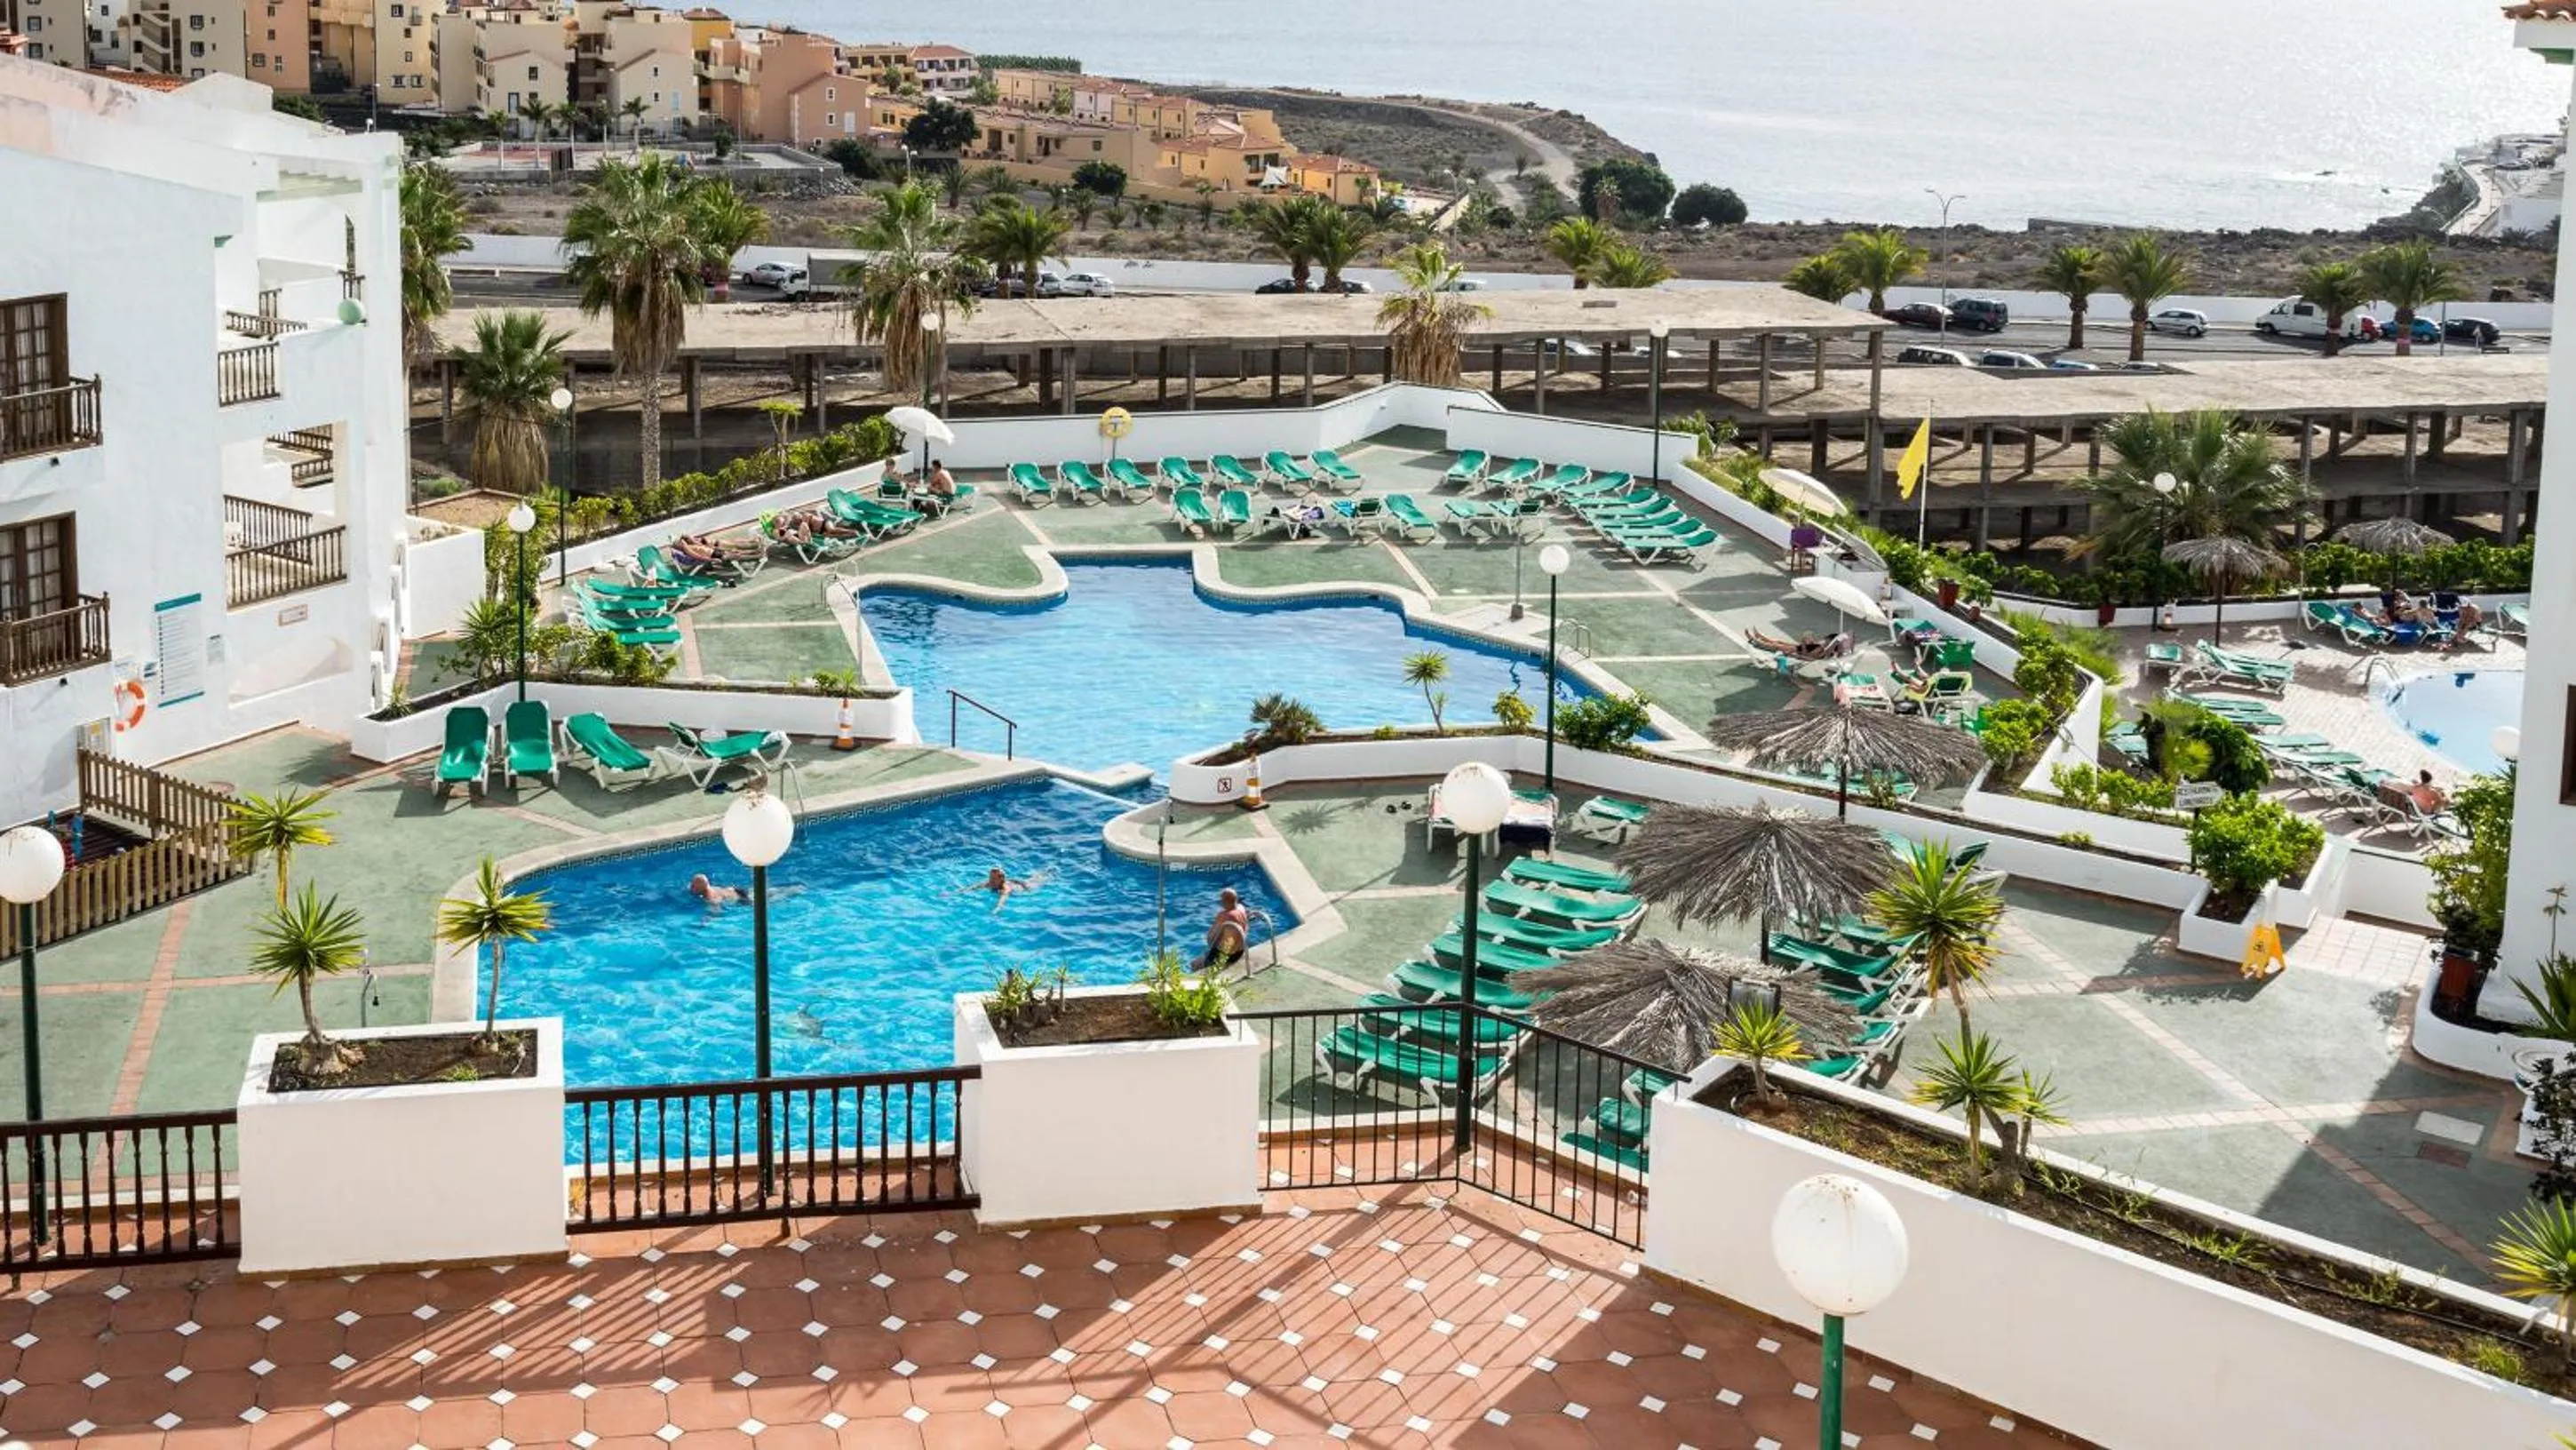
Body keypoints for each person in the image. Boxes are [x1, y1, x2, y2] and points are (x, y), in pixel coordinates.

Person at [1196, 888, 1252, 971]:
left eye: (1221, 900)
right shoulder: (1241, 908)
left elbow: (1212, 937)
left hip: (1226, 956)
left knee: (1195, 965)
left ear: (1224, 901)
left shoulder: (1224, 916)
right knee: (1203, 957)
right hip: (1240, 951)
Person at [966, 866, 1039, 911]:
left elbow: (1001, 902)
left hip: (1025, 887)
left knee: (1038, 880)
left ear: (1001, 880)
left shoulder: (1005, 889)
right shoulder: (990, 883)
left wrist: (996, 910)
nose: (991, 880)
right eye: (990, 877)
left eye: (994, 878)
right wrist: (959, 892)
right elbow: (973, 888)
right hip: (1015, 882)